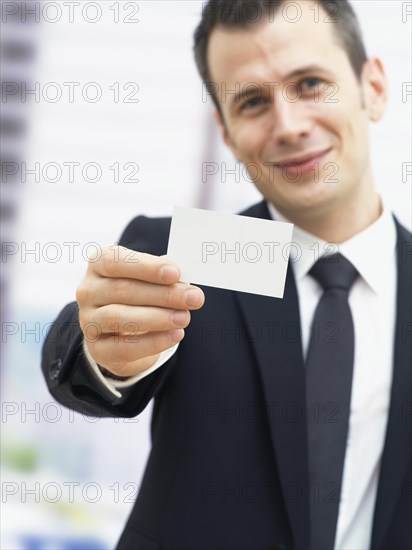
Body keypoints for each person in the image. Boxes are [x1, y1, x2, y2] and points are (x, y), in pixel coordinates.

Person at [42, 1, 411, 548]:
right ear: (228, 132)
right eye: (254, 102)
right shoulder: (207, 251)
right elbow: (87, 340)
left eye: (310, 83)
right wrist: (104, 349)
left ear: (373, 87)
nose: (288, 126)